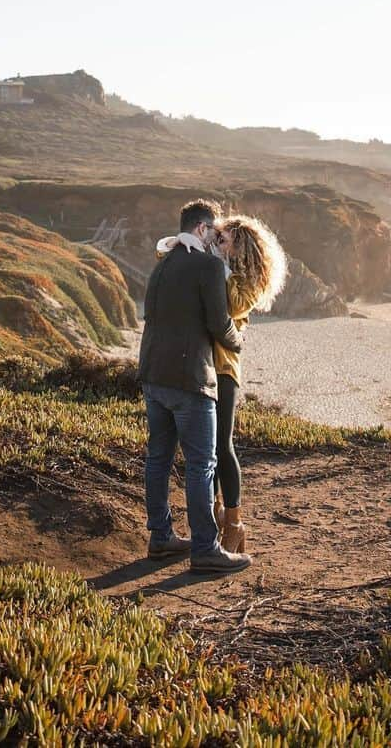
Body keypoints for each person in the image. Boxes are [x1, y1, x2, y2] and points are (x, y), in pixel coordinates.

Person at [138, 198, 252, 573]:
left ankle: (161, 538)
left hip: (153, 375)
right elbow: (220, 325)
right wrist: (239, 341)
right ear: (202, 229)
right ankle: (205, 548)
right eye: (213, 232)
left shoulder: (162, 264)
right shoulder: (204, 266)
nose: (215, 239)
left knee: (158, 459)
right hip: (190, 380)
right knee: (202, 464)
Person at [211, 214, 287, 555]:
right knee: (205, 450)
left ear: (240, 245)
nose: (217, 244)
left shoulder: (248, 281)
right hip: (201, 364)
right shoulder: (215, 266)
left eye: (223, 239)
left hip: (224, 367)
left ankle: (236, 523)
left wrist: (219, 265)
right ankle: (213, 518)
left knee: (222, 445)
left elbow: (235, 304)